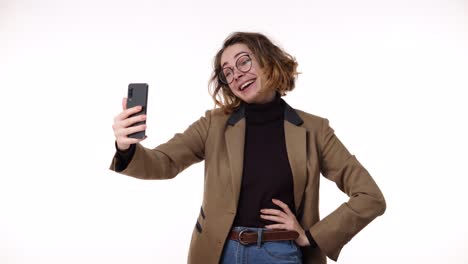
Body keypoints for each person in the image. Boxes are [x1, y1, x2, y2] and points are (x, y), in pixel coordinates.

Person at [110, 32, 386, 264]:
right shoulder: (214, 124)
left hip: (281, 253)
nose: (237, 75)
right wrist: (126, 148)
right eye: (227, 72)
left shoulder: (315, 130)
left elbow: (369, 197)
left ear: (268, 61)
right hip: (219, 252)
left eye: (244, 62)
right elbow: (164, 162)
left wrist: (311, 236)